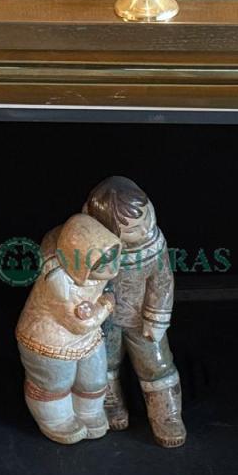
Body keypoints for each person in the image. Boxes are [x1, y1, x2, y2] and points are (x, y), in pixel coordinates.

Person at [84, 176, 186, 448]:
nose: (145, 228)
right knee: (102, 363)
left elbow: (162, 281)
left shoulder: (154, 244)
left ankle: (167, 414)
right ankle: (109, 404)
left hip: (141, 319)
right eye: (132, 229)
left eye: (146, 217)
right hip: (103, 319)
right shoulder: (91, 245)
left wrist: (156, 317)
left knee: (156, 365)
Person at [15, 214, 122, 444]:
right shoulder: (59, 281)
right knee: (55, 383)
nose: (113, 269)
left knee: (94, 379)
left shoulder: (86, 264)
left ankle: (89, 413)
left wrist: (100, 304)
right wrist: (106, 304)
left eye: (115, 258)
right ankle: (56, 419)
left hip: (89, 339)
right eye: (103, 265)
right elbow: (80, 324)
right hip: (50, 341)